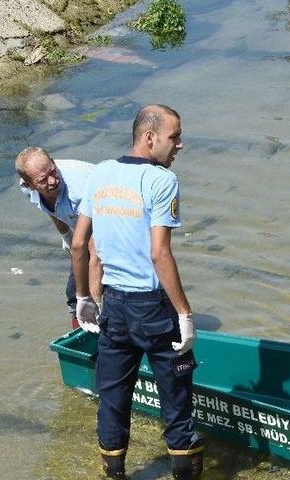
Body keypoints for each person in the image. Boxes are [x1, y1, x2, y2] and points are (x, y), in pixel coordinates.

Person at [70, 105, 204, 479]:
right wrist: (185, 314)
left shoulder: (100, 174)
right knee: (176, 402)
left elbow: (80, 245)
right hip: (152, 308)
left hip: (112, 304)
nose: (180, 145)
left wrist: (84, 298)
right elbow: (159, 253)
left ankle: (113, 473)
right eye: (174, 137)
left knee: (112, 399)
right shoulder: (161, 181)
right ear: (150, 137)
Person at [15, 147, 102, 328]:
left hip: (119, 222)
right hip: (84, 230)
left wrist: (93, 302)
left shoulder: (80, 188)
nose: (53, 181)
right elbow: (52, 209)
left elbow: (96, 250)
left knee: (106, 294)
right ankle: (82, 336)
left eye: (53, 172)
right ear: (28, 184)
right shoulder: (27, 189)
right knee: (74, 294)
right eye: (43, 180)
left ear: (53, 161)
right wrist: (65, 235)